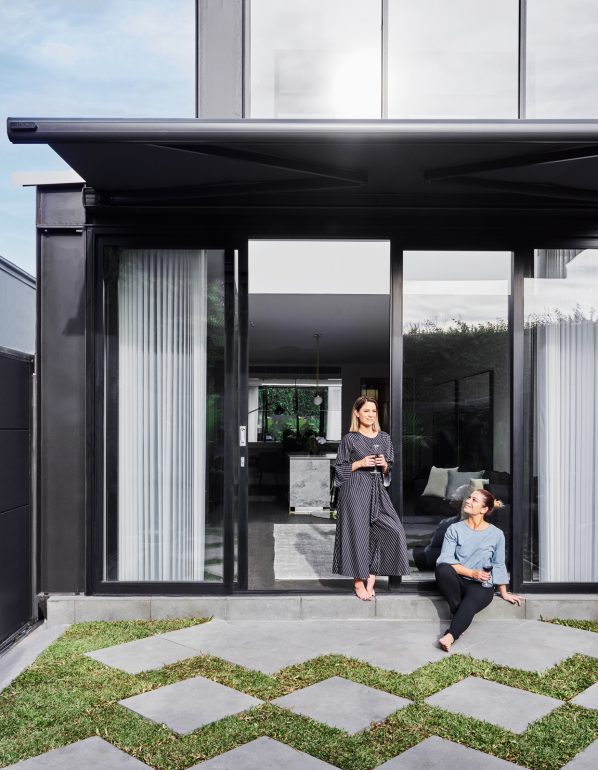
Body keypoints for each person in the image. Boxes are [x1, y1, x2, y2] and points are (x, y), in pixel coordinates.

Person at [332, 395, 410, 600]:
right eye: (366, 411)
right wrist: (360, 463)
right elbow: (339, 470)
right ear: (357, 413)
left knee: (394, 531)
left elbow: (389, 472)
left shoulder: (384, 438)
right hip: (355, 489)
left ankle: (372, 578)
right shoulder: (350, 439)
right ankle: (359, 582)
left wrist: (384, 464)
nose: (370, 415)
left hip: (377, 488)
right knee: (357, 535)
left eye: (373, 411)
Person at [435, 488, 523, 651]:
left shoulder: (496, 534)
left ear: (484, 509)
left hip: (481, 585)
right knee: (443, 569)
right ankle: (461, 619)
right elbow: (445, 559)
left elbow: (498, 563)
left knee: (471, 601)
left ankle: (451, 635)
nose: (468, 501)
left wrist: (503, 592)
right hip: (458, 580)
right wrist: (471, 573)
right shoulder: (454, 529)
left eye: (474, 500)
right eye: (469, 497)